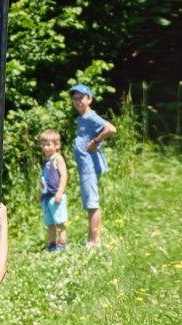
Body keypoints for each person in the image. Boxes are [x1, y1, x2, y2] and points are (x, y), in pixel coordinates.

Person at [68, 84, 118, 248]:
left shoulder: (90, 116)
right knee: (89, 202)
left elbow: (111, 128)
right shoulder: (81, 117)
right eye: (74, 98)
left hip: (90, 166)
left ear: (89, 99)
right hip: (85, 167)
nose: (77, 101)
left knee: (92, 203)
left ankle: (94, 241)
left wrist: (96, 141)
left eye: (81, 98)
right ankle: (93, 239)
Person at [36, 129, 69, 251]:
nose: (46, 148)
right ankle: (52, 243)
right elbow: (45, 179)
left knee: (59, 220)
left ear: (57, 145)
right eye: (43, 145)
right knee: (49, 222)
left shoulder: (58, 158)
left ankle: (62, 242)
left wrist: (60, 191)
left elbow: (64, 175)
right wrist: (41, 194)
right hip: (47, 196)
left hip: (56, 196)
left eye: (48, 145)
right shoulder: (46, 160)